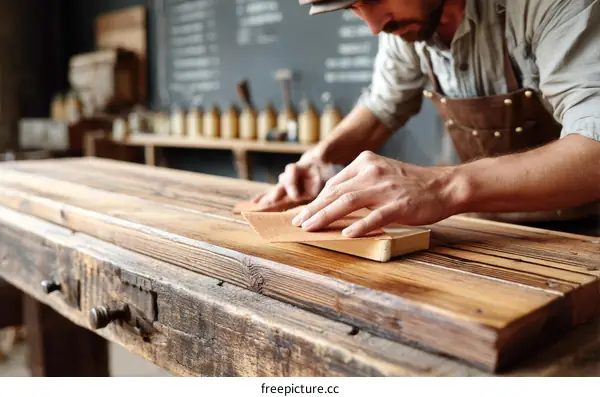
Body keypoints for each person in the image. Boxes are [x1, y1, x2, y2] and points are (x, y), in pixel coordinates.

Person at [252, 0, 600, 238]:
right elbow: (382, 107)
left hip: (586, 231)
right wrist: (321, 157)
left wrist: (443, 187)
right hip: (487, 232)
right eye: (354, 7)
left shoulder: (550, 6)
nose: (374, 26)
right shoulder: (404, 24)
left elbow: (595, 148)